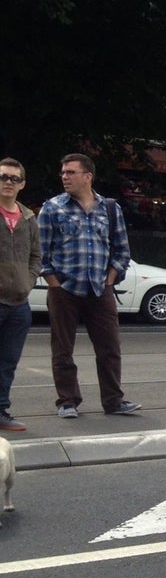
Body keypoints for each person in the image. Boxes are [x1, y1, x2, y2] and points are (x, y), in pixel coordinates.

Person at [37, 153, 138, 418]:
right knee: (62, 350)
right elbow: (40, 253)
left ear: (87, 176)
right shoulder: (52, 208)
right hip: (64, 290)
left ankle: (114, 401)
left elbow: (122, 250)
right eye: (63, 172)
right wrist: (54, 284)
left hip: (100, 288)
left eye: (71, 172)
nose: (65, 177)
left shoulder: (110, 208)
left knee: (110, 348)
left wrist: (110, 279)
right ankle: (67, 401)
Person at [0, 158, 41, 431]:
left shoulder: (28, 218)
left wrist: (28, 281)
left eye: (14, 179)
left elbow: (36, 255)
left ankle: (0, 410)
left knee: (7, 362)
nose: (8, 182)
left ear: (22, 184)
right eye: (3, 177)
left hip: (18, 304)